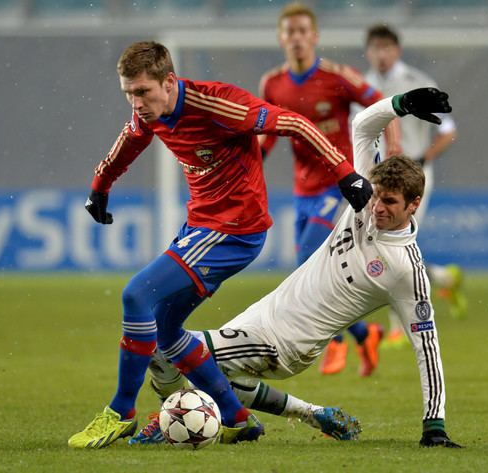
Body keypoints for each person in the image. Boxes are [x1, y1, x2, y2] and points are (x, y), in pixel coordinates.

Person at [68, 40, 373, 449]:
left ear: (169, 81)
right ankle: (237, 417)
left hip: (233, 229)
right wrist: (100, 186)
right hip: (204, 224)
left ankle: (120, 411)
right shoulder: (151, 113)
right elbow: (129, 141)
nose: (136, 102)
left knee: (135, 296)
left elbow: (296, 123)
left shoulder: (220, 105)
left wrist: (345, 173)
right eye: (129, 93)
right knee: (165, 329)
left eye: (142, 92)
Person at [132, 88, 462, 448]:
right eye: (377, 196)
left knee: (159, 346)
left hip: (286, 342)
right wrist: (400, 105)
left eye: (390, 202)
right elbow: (364, 127)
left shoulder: (406, 270)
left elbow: (426, 347)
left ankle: (168, 421)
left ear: (415, 205)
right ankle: (305, 413)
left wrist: (435, 426)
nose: (377, 207)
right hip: (261, 316)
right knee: (213, 378)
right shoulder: (367, 200)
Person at [259, 2, 402, 377]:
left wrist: (395, 150)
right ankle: (363, 332)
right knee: (309, 268)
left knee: (309, 260)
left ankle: (335, 341)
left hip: (342, 186)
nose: (297, 38)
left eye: (303, 31)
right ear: (281, 38)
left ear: (314, 36)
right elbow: (266, 141)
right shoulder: (273, 84)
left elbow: (383, 107)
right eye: (290, 32)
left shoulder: (338, 77)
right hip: (303, 191)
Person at [354, 23, 466, 351]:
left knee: (391, 245)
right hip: (379, 178)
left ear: (396, 51)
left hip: (415, 176)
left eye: (386, 48)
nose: (381, 55)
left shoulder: (418, 83)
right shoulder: (362, 87)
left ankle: (398, 328)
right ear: (369, 52)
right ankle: (445, 278)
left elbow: (449, 130)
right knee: (387, 246)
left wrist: (423, 158)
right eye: (376, 49)